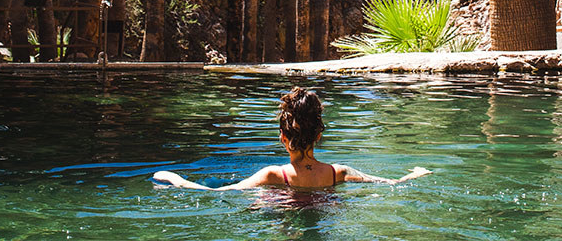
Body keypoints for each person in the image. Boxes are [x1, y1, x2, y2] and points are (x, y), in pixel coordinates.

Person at [152, 87, 431, 191]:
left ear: (283, 137)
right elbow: (391, 184)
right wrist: (417, 173)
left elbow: (217, 193)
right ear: (319, 135)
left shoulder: (273, 175)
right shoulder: (339, 173)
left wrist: (176, 179)